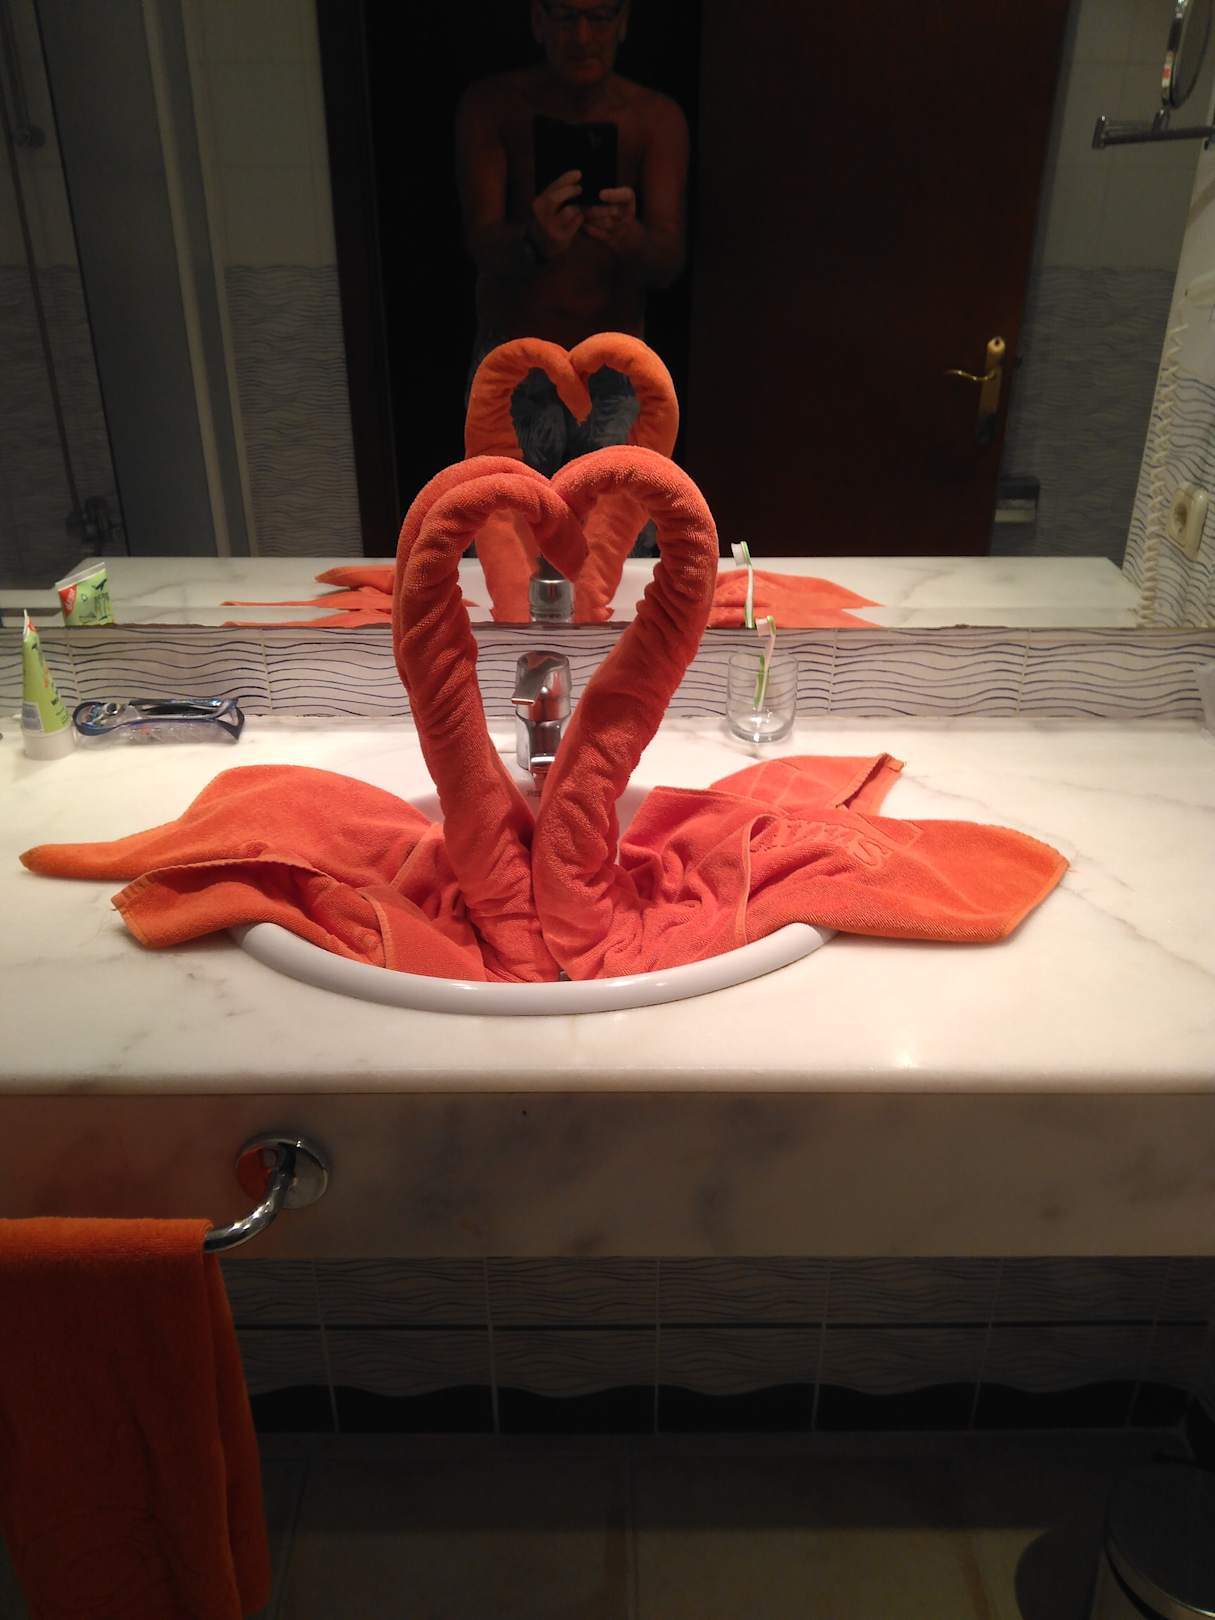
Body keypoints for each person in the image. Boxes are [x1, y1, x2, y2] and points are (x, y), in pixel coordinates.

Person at [456, 0, 689, 490]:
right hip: (515, 354)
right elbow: (479, 242)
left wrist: (629, 237)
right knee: (509, 517)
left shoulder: (654, 118)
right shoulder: (495, 106)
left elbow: (669, 259)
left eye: (599, 16)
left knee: (616, 522)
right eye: (565, 16)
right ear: (538, 20)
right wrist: (533, 241)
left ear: (623, 21)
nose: (582, 36)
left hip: (616, 362)